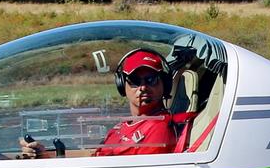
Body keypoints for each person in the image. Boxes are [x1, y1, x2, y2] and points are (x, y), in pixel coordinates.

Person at [20, 48, 192, 158]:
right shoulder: (123, 126)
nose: (143, 87)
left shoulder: (159, 127)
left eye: (151, 79)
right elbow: (95, 156)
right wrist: (46, 155)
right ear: (121, 85)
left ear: (165, 84)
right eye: (134, 80)